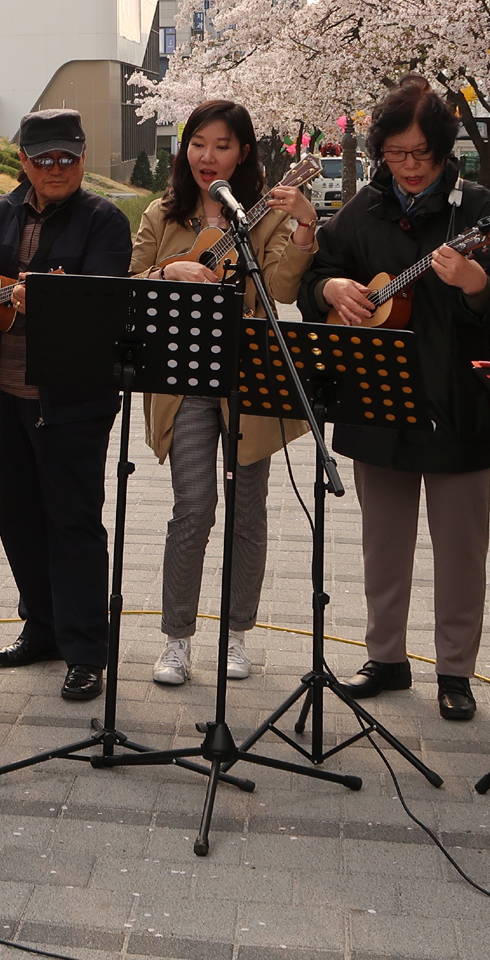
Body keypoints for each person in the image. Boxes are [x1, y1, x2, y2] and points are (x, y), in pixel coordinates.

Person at [303, 76, 490, 723]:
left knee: (460, 550)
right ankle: (385, 656)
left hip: (458, 402)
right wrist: (331, 289)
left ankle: (455, 670)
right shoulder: (363, 208)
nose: (410, 165)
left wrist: (475, 280)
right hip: (378, 397)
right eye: (396, 153)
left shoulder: (476, 207)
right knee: (383, 543)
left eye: (422, 153)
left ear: (444, 149)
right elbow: (316, 277)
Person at [131, 101, 317, 687]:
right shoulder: (163, 214)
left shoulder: (261, 214)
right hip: (181, 375)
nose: (207, 156)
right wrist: (168, 272)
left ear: (243, 154)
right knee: (193, 506)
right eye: (197, 143)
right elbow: (127, 283)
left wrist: (304, 227)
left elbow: (282, 286)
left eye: (222, 145)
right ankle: (176, 639)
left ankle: (236, 634)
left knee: (247, 511)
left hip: (248, 373)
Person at [0, 109, 134, 703]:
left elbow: (101, 302)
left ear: (83, 158)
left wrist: (41, 293)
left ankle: (86, 650)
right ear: (24, 162)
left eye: (68, 158)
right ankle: (40, 628)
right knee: (17, 516)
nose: (56, 169)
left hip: (73, 399)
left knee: (73, 522)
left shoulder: (104, 220)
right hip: (5, 389)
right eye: (43, 159)